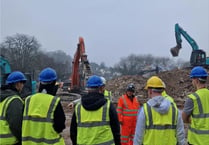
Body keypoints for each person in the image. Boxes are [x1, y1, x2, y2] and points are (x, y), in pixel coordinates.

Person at [70, 75, 121, 145]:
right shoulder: (108, 106)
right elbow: (116, 130)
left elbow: (73, 132)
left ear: (87, 89)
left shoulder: (78, 107)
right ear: (101, 88)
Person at [134, 76, 185, 145]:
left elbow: (138, 136)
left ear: (150, 91)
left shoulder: (145, 110)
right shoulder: (174, 110)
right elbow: (180, 135)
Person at [21, 67, 66, 145]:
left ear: (40, 82)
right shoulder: (54, 101)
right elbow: (60, 126)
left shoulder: (28, 100)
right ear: (54, 82)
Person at [182, 66, 209, 145]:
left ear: (196, 80)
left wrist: (192, 121)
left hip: (197, 140)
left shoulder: (192, 98)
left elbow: (184, 118)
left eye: (192, 79)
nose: (192, 82)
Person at [0, 71, 27, 145]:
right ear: (17, 84)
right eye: (22, 83)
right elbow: (16, 125)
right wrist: (22, 139)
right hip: (11, 142)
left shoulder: (3, 97)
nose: (23, 85)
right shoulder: (14, 100)